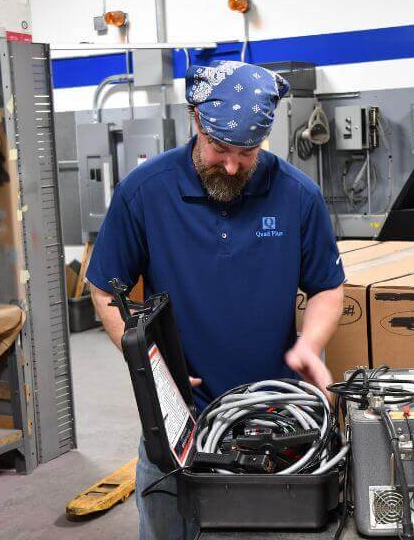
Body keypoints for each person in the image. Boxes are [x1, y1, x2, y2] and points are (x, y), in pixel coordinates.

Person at [87, 60, 345, 540]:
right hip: (178, 422)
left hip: (274, 418)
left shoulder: (297, 196)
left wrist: (310, 343)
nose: (231, 165)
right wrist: (153, 368)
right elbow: (105, 290)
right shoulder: (144, 194)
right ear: (195, 120)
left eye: (247, 153)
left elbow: (327, 286)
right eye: (219, 148)